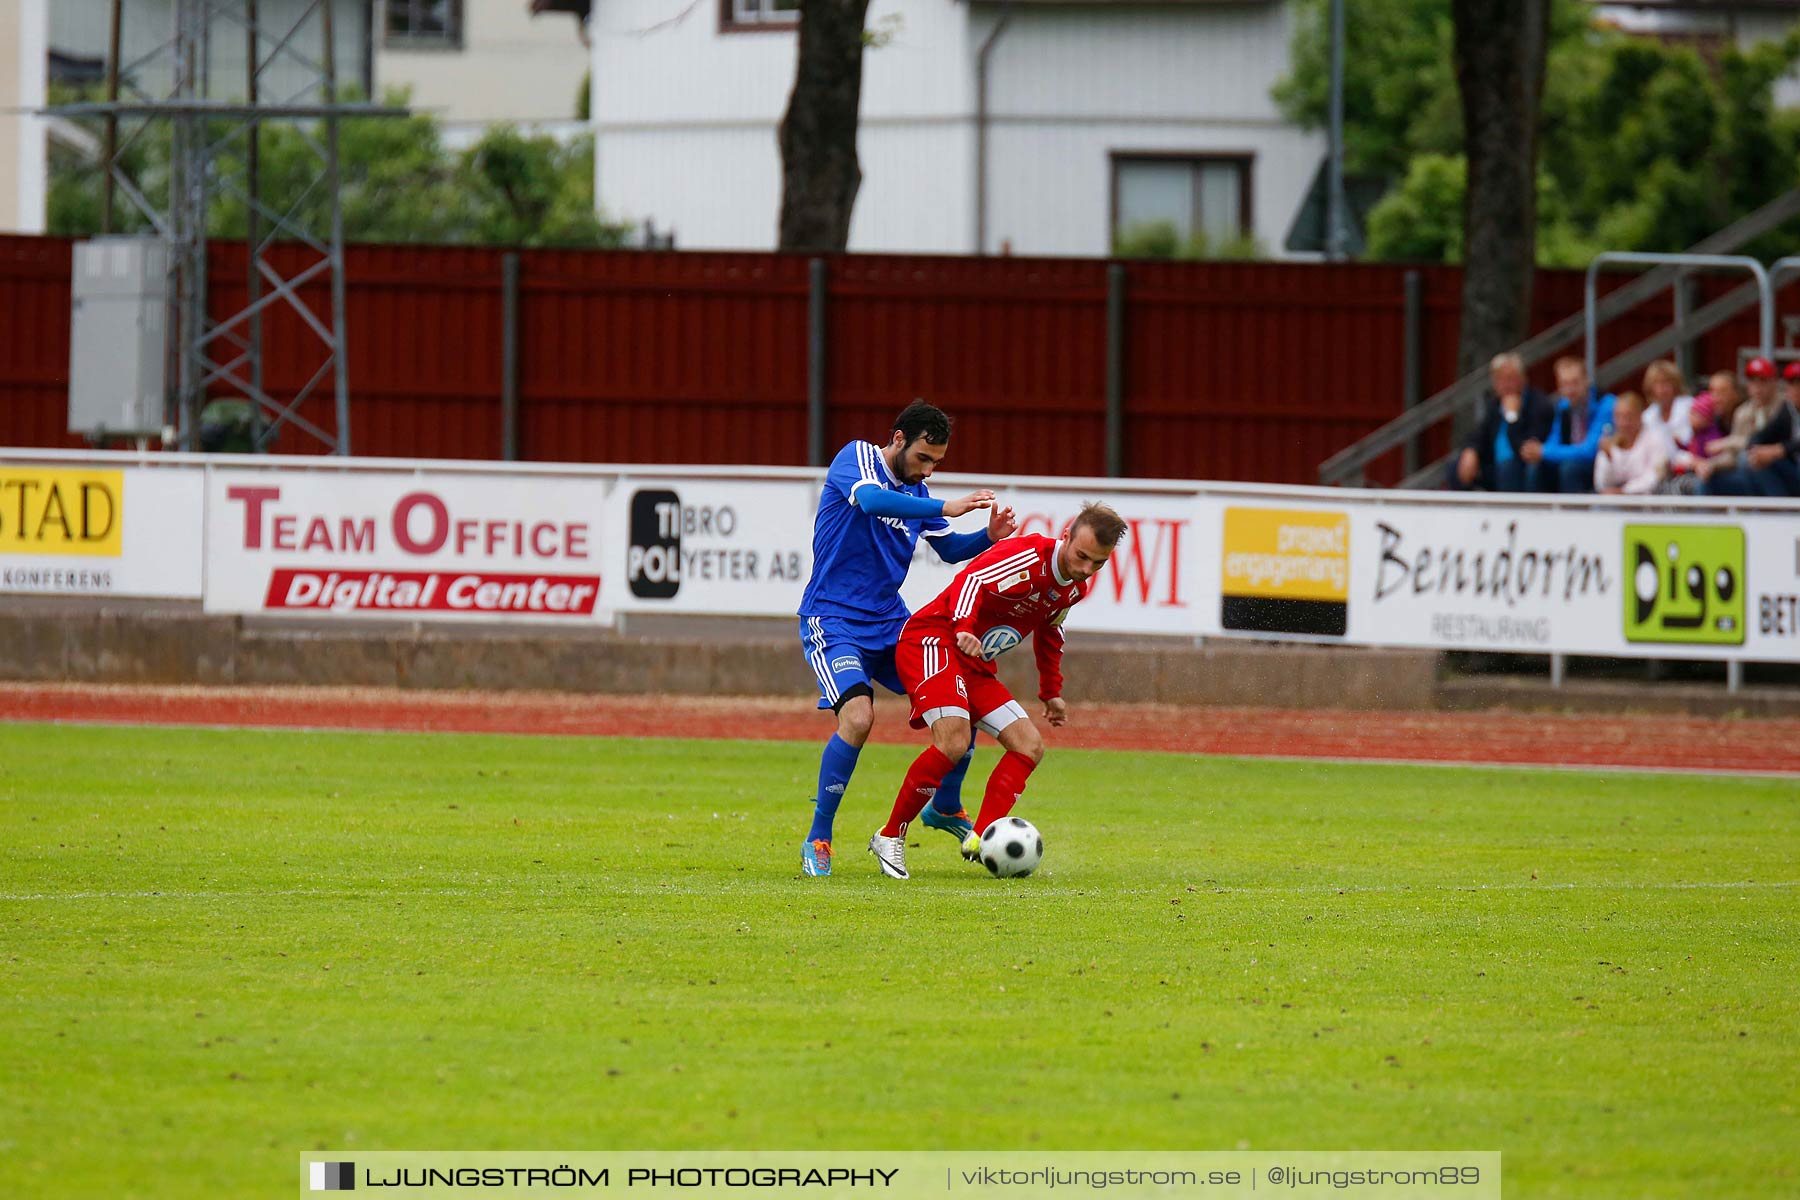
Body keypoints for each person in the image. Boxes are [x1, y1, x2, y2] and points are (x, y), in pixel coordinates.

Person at [795, 402, 1017, 877]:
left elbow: (950, 548)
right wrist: (945, 505)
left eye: (936, 462)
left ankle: (946, 806)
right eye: (923, 458)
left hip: (890, 622)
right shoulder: (855, 458)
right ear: (898, 439)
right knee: (858, 716)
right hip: (832, 620)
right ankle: (819, 836)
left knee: (960, 692)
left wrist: (987, 536)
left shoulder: (918, 491)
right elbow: (873, 502)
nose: (928, 469)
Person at [867, 503, 1128, 880]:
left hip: (973, 664)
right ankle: (889, 835)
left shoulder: (1073, 589)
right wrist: (963, 627)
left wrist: (1051, 691)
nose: (1086, 569)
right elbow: (971, 581)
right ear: (1066, 536)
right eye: (1082, 556)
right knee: (953, 741)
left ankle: (980, 837)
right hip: (935, 639)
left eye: (1098, 564)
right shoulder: (1024, 555)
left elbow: (1051, 632)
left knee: (1030, 746)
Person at [1449, 352, 1555, 492]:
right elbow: (1479, 434)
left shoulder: (1538, 404)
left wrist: (1512, 417)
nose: (1506, 385)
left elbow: (1524, 449)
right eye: (1500, 380)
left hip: (1524, 467)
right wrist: (1470, 450)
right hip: (1495, 466)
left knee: (1508, 467)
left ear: (1523, 379)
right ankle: (1463, 511)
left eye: (1510, 379)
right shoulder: (1495, 405)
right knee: (1455, 466)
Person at [1704, 359, 1800, 497]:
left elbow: (1789, 445)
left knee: (1750, 460)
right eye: (1753, 381)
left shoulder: (1782, 405)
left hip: (1783, 469)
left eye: (1762, 380)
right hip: (1759, 469)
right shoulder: (1745, 412)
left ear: (1774, 382)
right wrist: (1710, 465)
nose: (1757, 387)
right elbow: (1760, 437)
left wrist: (1777, 450)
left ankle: (1779, 511)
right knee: (1707, 480)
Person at [1528, 356, 1613, 493]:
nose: (1570, 390)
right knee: (1536, 467)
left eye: (1575, 383)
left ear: (1586, 381)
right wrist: (1536, 450)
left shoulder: (1606, 404)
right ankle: (1534, 511)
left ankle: (1573, 513)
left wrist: (1544, 451)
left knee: (1569, 467)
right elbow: (1554, 441)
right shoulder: (1563, 407)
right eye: (1564, 385)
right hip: (1572, 461)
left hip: (1602, 466)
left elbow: (1590, 451)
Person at [1594, 392, 1667, 495]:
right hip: (1616, 502)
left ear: (1640, 415)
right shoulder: (1609, 442)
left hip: (1651, 501)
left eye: (1629, 416)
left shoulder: (1657, 437)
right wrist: (1608, 457)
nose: (1623, 423)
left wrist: (1624, 491)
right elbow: (1601, 484)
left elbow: (1656, 476)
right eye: (1618, 416)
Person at [1659, 393, 1724, 495]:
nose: (1691, 418)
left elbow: (1711, 458)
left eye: (1696, 415)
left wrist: (1696, 462)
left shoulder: (1712, 437)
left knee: (1680, 485)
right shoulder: (1695, 434)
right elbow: (1690, 449)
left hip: (1705, 475)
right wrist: (1679, 444)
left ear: (1707, 419)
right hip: (1692, 471)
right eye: (1691, 413)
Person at [1639, 359, 1694, 458]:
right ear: (1650, 388)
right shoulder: (1647, 416)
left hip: (1691, 463)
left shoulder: (1690, 405)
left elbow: (1694, 439)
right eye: (1657, 384)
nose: (1662, 389)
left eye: (1666, 383)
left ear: (1676, 384)